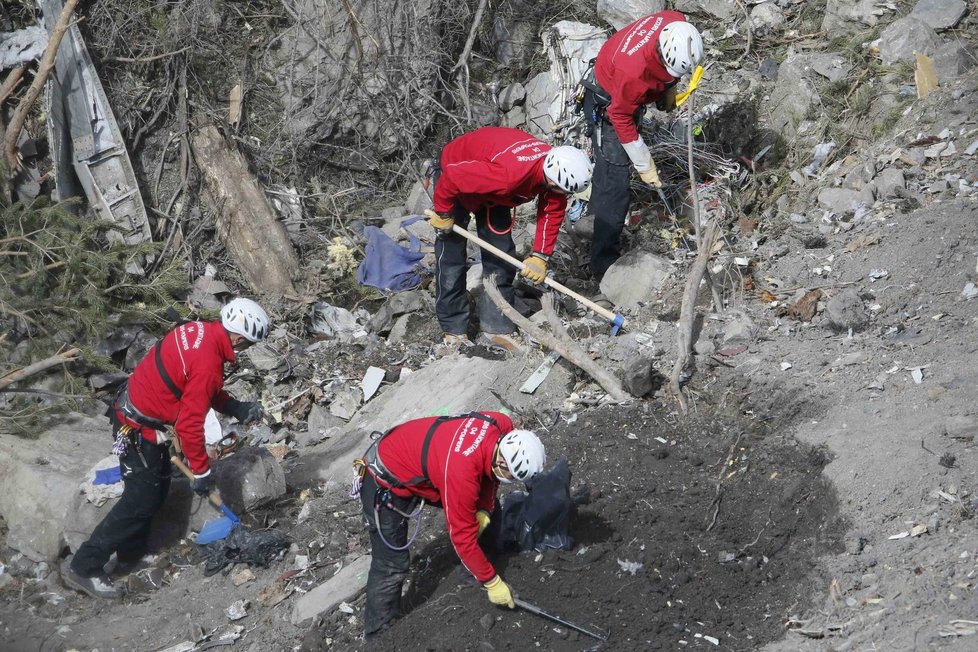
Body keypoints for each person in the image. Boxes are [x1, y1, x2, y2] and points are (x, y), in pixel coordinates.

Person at [60, 298, 271, 599]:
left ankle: (130, 553)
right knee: (140, 499)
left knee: (155, 492)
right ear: (239, 338)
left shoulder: (202, 332)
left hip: (143, 415)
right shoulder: (209, 360)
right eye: (248, 344)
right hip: (135, 426)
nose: (245, 350)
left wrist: (235, 406)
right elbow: (188, 425)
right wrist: (201, 471)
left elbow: (197, 387)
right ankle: (84, 566)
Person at [355, 411, 546, 638]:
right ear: (503, 459)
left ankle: (474, 572)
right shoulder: (461, 474)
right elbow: (461, 538)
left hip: (424, 461)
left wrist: (484, 509)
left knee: (492, 511)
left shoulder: (501, 424)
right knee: (391, 564)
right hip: (385, 478)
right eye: (511, 476)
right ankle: (379, 634)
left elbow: (490, 475)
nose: (512, 481)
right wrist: (493, 583)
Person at [424, 126, 592, 351]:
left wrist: (540, 256)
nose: (563, 196)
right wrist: (443, 211)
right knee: (451, 257)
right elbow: (454, 177)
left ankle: (496, 327)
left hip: (494, 191)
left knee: (501, 255)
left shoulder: (553, 168)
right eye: (562, 191)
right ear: (551, 181)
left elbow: (552, 210)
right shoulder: (509, 176)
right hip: (455, 175)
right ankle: (454, 328)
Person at [584, 11, 703, 279]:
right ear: (661, 52)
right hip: (607, 104)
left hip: (626, 91)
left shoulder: (675, 21)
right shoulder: (633, 74)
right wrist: (644, 163)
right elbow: (620, 117)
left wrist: (669, 87)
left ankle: (588, 223)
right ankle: (604, 264)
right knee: (616, 181)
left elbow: (672, 65)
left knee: (606, 169)